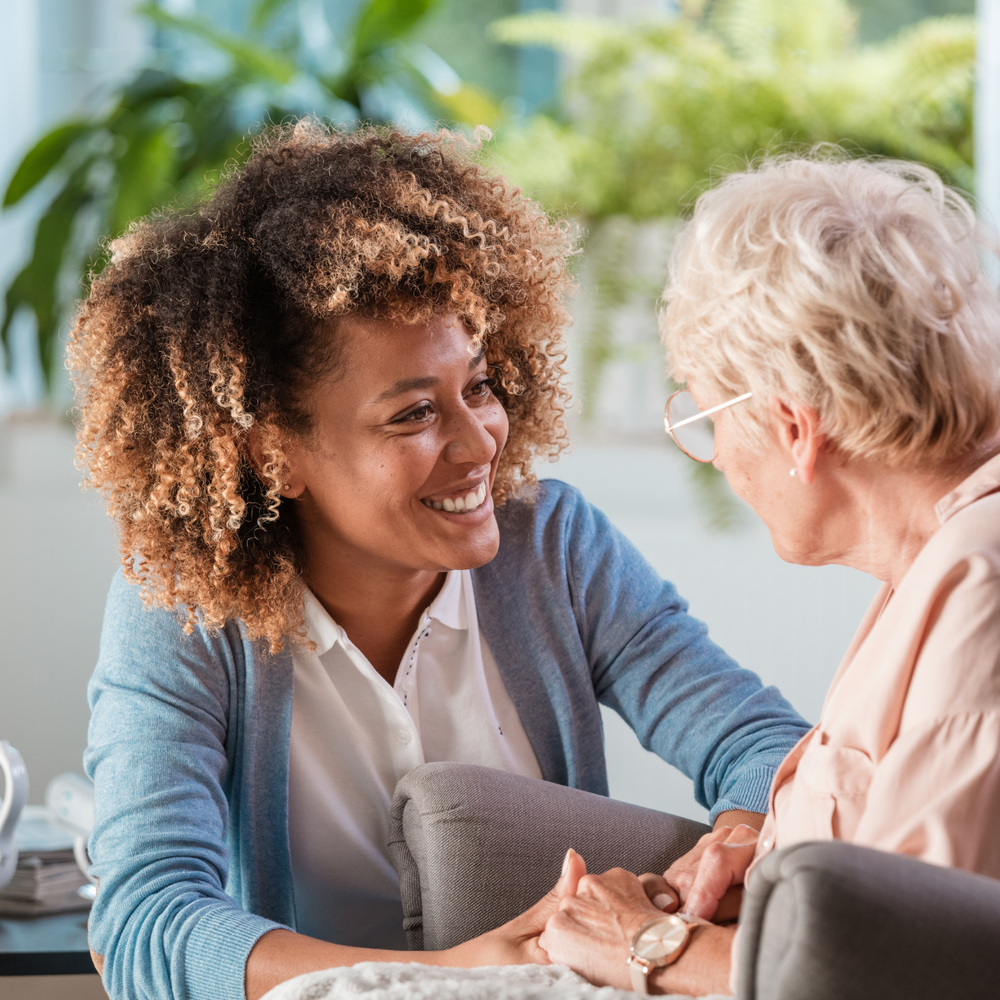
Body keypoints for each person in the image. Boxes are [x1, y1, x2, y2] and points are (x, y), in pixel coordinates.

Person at [73, 121, 808, 1000]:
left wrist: (737, 837)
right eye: (413, 415)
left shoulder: (555, 547)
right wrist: (445, 979)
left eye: (481, 387)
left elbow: (765, 745)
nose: (479, 443)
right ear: (275, 454)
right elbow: (145, 924)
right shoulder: (183, 607)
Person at [538, 151, 1000, 995]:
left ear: (794, 428)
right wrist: (764, 857)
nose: (715, 461)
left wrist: (649, 946)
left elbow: (915, 969)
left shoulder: (983, 591)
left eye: (708, 415)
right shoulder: (933, 564)